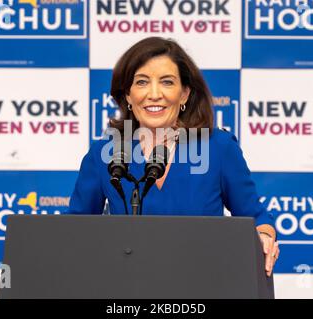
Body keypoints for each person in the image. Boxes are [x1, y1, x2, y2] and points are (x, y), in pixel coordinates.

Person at [68, 37, 279, 276]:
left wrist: (264, 236)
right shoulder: (105, 153)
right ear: (127, 94)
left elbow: (255, 215)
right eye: (142, 82)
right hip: (128, 288)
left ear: (184, 94)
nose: (154, 94)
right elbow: (74, 229)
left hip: (204, 284)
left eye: (167, 82)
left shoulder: (218, 148)